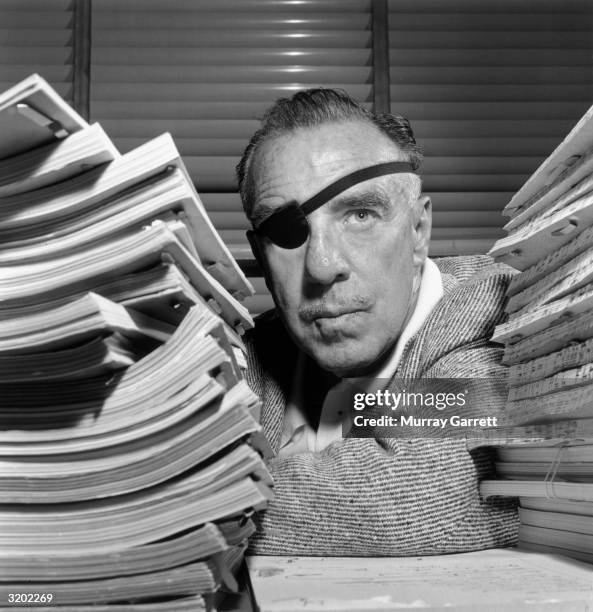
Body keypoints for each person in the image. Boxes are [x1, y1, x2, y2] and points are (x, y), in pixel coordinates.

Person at [236, 88, 518, 555]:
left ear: (418, 231)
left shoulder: (493, 316)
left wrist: (189, 503)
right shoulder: (252, 351)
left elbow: (416, 490)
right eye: (286, 233)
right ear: (261, 258)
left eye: (360, 214)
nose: (322, 266)